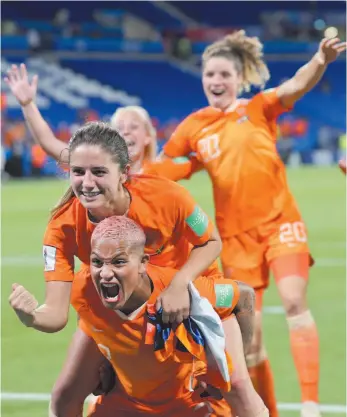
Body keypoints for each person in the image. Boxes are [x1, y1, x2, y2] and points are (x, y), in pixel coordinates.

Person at [162, 31, 347, 417]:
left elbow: (295, 86)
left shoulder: (259, 107)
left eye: (224, 74)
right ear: (202, 78)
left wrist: (320, 61)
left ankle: (310, 407)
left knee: (296, 302)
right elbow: (163, 167)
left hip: (282, 223)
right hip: (235, 240)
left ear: (238, 77)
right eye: (210, 74)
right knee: (252, 341)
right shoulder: (193, 127)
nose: (216, 81)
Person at [50, 215, 266, 417]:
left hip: (191, 403)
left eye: (118, 262)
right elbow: (88, 314)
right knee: (63, 397)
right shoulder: (83, 286)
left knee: (239, 387)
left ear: (143, 262)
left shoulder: (187, 293)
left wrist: (239, 361)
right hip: (127, 401)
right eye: (97, 263)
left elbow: (243, 296)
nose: (105, 273)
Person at [4, 63, 201, 182]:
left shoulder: (163, 170)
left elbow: (204, 160)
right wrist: (28, 104)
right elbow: (49, 143)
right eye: (120, 128)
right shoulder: (98, 167)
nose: (126, 132)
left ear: (148, 136)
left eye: (133, 127)